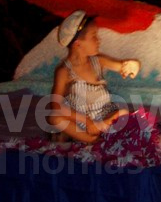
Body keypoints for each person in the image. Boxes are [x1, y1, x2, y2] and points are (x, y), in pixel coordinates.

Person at [47, 10, 140, 144]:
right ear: (77, 44)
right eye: (94, 36)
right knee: (54, 118)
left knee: (123, 112)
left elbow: (121, 66)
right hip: (81, 122)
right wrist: (87, 121)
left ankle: (99, 135)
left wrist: (133, 65)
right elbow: (56, 105)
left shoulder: (98, 61)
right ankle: (91, 140)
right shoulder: (64, 71)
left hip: (104, 118)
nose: (98, 40)